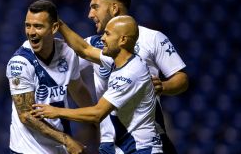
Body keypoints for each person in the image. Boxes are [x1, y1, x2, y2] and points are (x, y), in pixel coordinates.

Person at [78, 0, 188, 153]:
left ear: (114, 8)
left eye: (95, 7)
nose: (90, 14)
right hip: (110, 142)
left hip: (147, 139)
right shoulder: (94, 44)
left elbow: (182, 78)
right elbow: (62, 65)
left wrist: (164, 86)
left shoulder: (152, 38)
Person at [31, 15, 163, 154]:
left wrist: (56, 112)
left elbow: (98, 113)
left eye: (107, 34)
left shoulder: (131, 73)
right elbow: (84, 49)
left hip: (139, 149)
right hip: (120, 148)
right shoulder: (116, 60)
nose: (102, 38)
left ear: (122, 40)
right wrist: (59, 22)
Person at [5, 0, 94, 154]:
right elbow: (26, 116)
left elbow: (77, 88)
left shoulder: (67, 52)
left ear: (54, 28)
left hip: (59, 147)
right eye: (28, 25)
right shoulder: (19, 63)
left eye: (38, 26)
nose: (31, 32)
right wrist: (67, 140)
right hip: (29, 150)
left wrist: (95, 119)